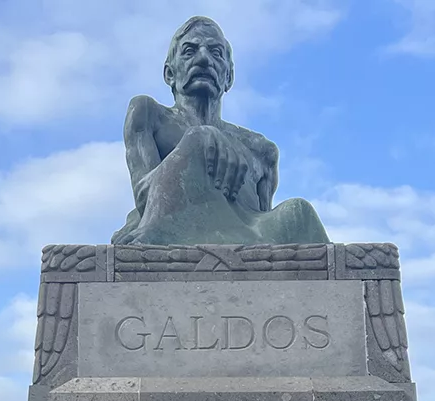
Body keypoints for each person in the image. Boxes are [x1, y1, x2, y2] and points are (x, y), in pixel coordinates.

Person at [112, 16, 328, 246]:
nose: (204, 59)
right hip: (174, 229)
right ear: (170, 74)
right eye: (189, 51)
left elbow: (264, 220)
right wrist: (199, 140)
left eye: (215, 53)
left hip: (246, 241)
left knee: (299, 212)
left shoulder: (260, 151)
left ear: (229, 76)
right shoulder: (149, 114)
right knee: (199, 137)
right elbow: (145, 199)